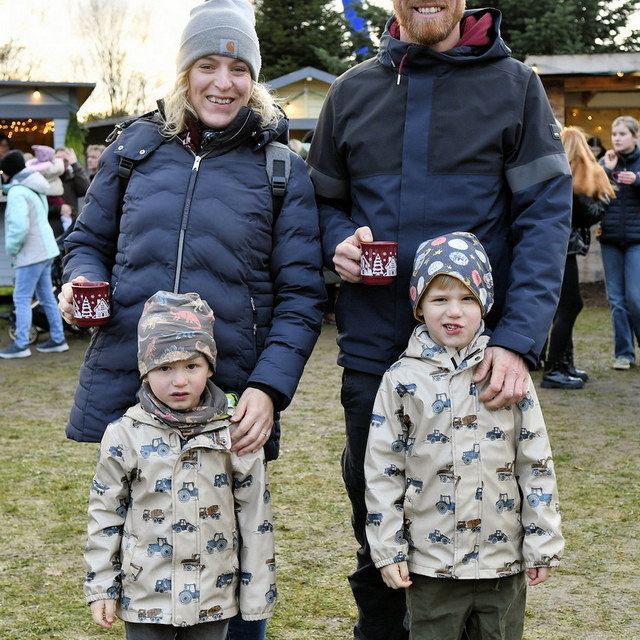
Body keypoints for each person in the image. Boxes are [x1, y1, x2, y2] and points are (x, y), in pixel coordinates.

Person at [58, 1, 325, 637]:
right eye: (207, 65)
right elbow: (87, 241)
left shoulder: (280, 169)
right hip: (137, 388)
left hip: (227, 401)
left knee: (231, 553)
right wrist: (80, 281)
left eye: (239, 68)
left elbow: (301, 294)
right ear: (184, 72)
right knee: (138, 536)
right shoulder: (133, 150)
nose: (223, 83)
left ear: (254, 78)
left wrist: (268, 389)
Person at [306, 2, 572, 637]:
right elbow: (316, 203)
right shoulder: (350, 92)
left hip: (482, 359)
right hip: (376, 353)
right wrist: (334, 239)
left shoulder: (516, 87)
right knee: (379, 521)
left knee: (484, 521)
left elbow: (544, 217)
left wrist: (516, 339)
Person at [364, 232, 564, 640]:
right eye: (439, 299)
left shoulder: (506, 375)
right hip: (431, 566)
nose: (453, 311)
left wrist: (543, 540)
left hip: (502, 563)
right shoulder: (401, 380)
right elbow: (383, 471)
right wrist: (387, 549)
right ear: (419, 306)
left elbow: (535, 461)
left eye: (467, 299)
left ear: (485, 304)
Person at [85, 291, 275, 637]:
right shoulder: (124, 434)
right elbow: (105, 514)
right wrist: (102, 587)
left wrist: (257, 592)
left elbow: (255, 516)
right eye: (164, 367)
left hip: (213, 595)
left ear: (210, 367)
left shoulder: (235, 432)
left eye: (192, 366)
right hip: (144, 597)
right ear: (145, 371)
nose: (180, 380)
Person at [542, 128, 615, 389]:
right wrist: (606, 192)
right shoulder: (571, 177)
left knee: (567, 307)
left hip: (557, 248)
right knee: (569, 307)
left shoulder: (560, 173)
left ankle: (564, 364)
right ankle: (553, 369)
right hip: (563, 249)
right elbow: (589, 215)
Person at [0, 150, 69, 358]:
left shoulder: (17, 192)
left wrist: (12, 249)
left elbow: (18, 227)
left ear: (9, 172)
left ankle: (21, 344)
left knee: (21, 297)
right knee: (46, 296)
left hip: (30, 253)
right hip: (45, 250)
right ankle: (58, 339)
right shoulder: (33, 187)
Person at [599, 115, 640, 370]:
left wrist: (637, 180)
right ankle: (624, 354)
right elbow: (591, 190)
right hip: (610, 238)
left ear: (636, 137)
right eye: (614, 134)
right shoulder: (605, 161)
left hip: (637, 240)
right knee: (616, 300)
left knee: (636, 298)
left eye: (622, 134)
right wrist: (605, 169)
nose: (617, 138)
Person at [26, 144, 73, 233]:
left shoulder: (70, 176)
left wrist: (75, 165)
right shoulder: (49, 170)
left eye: (66, 160)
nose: (62, 162)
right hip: (49, 227)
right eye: (58, 158)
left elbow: (84, 188)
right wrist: (59, 208)